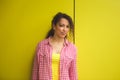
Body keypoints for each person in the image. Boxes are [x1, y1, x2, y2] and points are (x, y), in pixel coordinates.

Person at [32, 12, 78, 80]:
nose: (64, 29)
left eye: (67, 26)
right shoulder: (41, 45)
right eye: (61, 25)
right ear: (54, 26)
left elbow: (73, 73)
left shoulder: (72, 48)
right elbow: (35, 70)